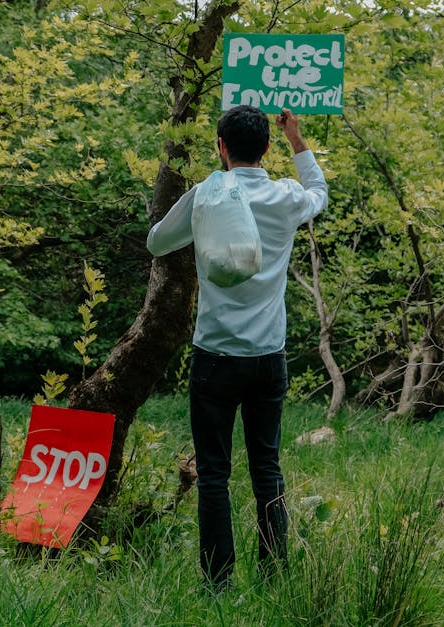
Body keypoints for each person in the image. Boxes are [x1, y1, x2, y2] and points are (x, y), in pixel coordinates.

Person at [146, 105, 328, 591]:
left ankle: (218, 584)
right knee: (266, 469)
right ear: (266, 148)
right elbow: (320, 193)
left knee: (213, 475)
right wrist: (297, 139)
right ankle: (273, 577)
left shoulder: (207, 194)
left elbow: (157, 243)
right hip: (268, 357)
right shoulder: (286, 197)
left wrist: (198, 217)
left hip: (214, 358)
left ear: (220, 148)